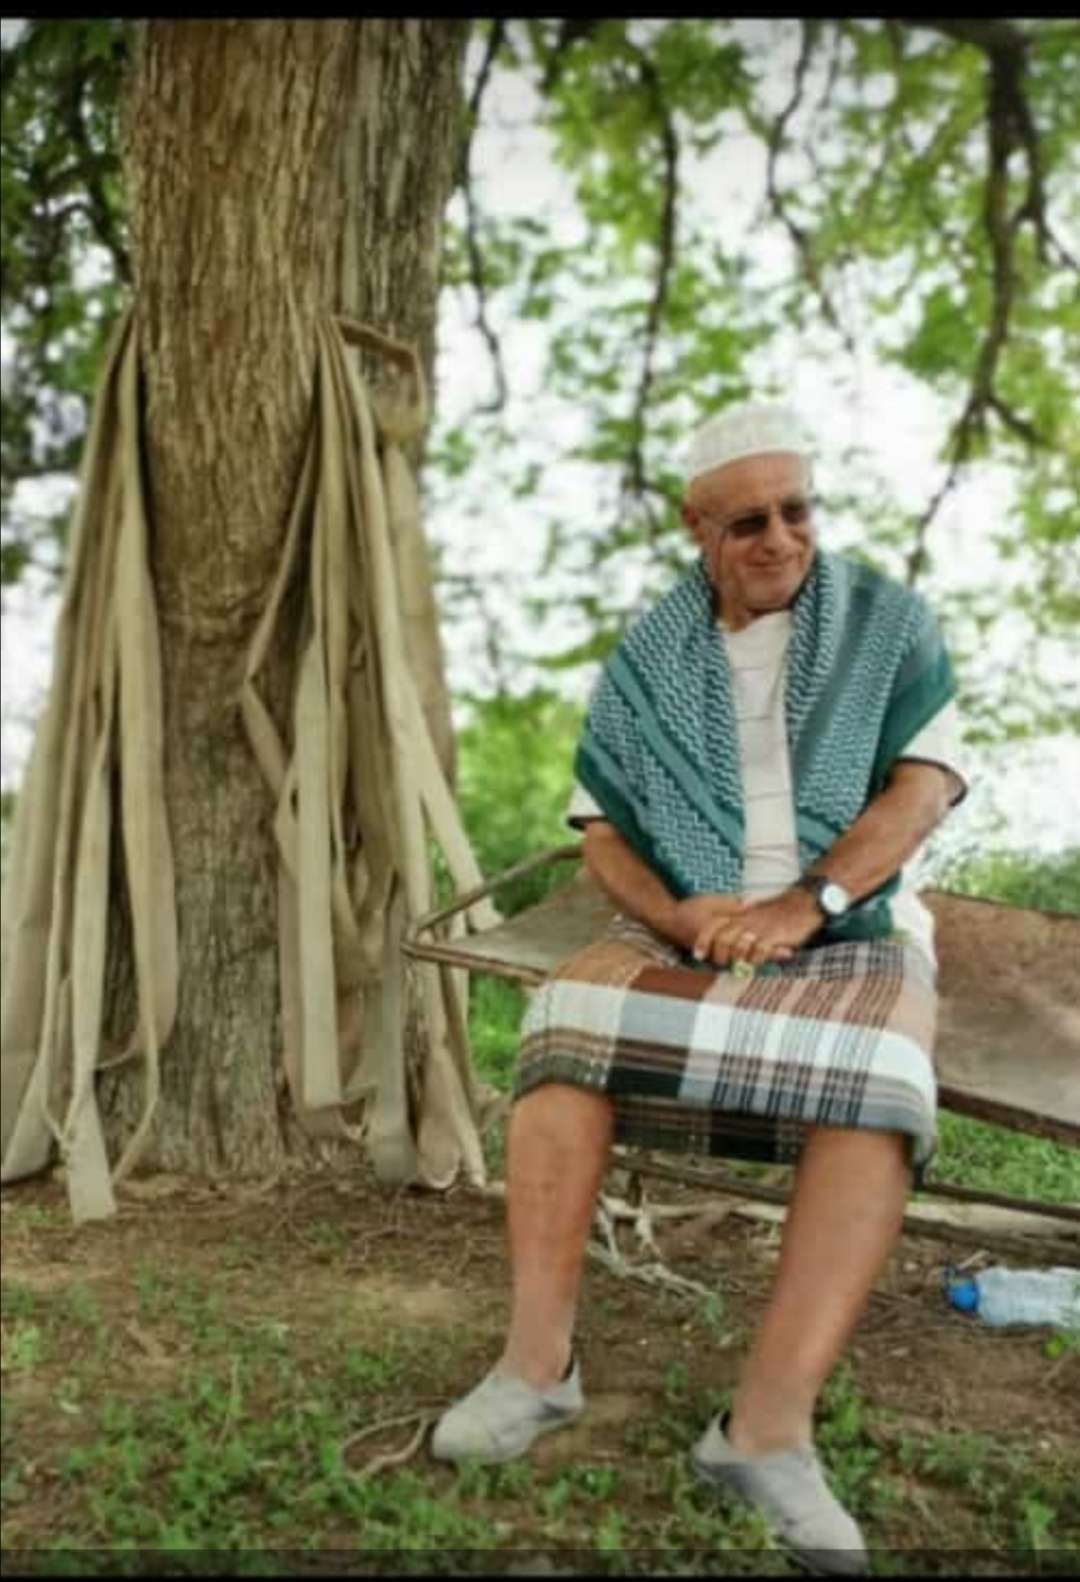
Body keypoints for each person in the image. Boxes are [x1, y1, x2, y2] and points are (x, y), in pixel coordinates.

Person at [431, 402, 967, 1575]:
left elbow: (920, 791)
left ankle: (763, 1433)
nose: (780, 538)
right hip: (693, 918)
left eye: (796, 511)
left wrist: (804, 904)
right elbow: (603, 834)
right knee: (562, 1028)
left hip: (853, 918)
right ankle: (536, 1369)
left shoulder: (885, 623)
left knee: (881, 1081)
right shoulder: (649, 657)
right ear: (697, 529)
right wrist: (684, 918)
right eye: (748, 521)